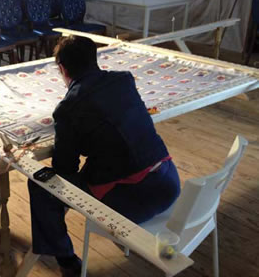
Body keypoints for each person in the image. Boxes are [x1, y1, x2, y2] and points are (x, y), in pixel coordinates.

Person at [28, 36, 181, 276]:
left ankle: (66, 261)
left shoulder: (68, 108)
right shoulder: (124, 80)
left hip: (134, 201)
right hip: (169, 182)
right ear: (94, 59)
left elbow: (64, 168)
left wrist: (70, 134)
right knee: (110, 160)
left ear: (62, 68)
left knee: (41, 185)